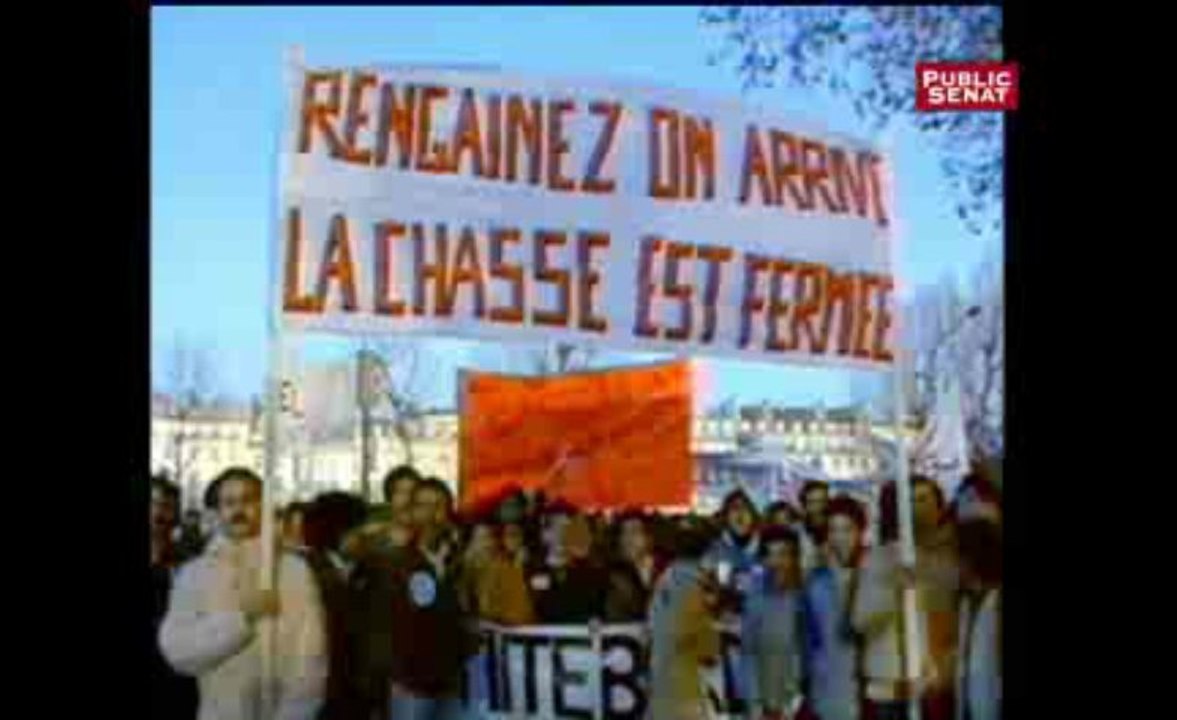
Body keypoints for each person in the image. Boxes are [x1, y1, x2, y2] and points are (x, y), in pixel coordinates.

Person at [160, 467, 328, 720]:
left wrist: (294, 714)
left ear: (263, 506)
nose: (239, 510)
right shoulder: (195, 574)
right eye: (229, 502)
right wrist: (241, 618)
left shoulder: (294, 570)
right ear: (217, 511)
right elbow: (179, 652)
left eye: (248, 499)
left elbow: (312, 656)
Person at [352, 477, 471, 720]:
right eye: (423, 506)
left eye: (438, 506)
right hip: (410, 686)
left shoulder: (458, 559)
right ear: (412, 511)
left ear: (449, 512)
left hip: (450, 684)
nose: (431, 515)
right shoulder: (394, 560)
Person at [852, 477, 959, 720]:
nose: (918, 507)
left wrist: (941, 674)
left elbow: (958, 626)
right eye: (910, 501)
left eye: (923, 499)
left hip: (939, 689)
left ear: (939, 507)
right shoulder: (878, 559)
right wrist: (893, 592)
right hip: (892, 689)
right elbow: (860, 621)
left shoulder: (952, 561)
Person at [302, 492, 369, 720]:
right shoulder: (311, 574)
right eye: (358, 531)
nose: (364, 537)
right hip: (324, 690)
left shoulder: (358, 569)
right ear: (337, 533)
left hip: (352, 689)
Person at [648, 525, 723, 720]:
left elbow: (652, 622)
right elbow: (706, 646)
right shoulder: (693, 585)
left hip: (662, 674)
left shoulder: (666, 578)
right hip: (686, 683)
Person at [804, 496, 869, 720]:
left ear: (860, 532)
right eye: (833, 530)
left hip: (866, 686)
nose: (840, 537)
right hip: (826, 686)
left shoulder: (872, 573)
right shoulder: (816, 581)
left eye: (847, 529)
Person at [740, 525, 808, 720]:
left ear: (794, 558)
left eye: (783, 554)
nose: (776, 562)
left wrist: (795, 700)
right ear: (763, 560)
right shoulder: (755, 601)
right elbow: (748, 653)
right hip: (765, 705)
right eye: (770, 555)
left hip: (800, 703)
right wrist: (754, 703)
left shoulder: (806, 599)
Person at [150, 475, 199, 720]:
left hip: (177, 684)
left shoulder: (190, 565)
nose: (158, 514)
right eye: (153, 504)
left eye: (167, 507)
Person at [954, 519, 1001, 720]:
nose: (954, 564)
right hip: (969, 704)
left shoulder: (996, 602)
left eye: (958, 557)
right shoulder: (966, 602)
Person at [529, 511, 609, 624]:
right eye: (554, 527)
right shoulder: (538, 569)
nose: (559, 535)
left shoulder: (593, 570)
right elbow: (536, 594)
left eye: (565, 528)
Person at [605, 510, 667, 622]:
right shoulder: (616, 575)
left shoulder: (667, 569)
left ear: (648, 537)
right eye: (624, 533)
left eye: (634, 531)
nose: (627, 539)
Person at [705, 489, 762, 604]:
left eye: (745, 509)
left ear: (753, 515)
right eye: (735, 508)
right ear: (725, 516)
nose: (740, 514)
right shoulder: (713, 551)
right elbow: (708, 591)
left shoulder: (766, 548)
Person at [799, 480, 832, 573]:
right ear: (804, 504)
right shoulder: (796, 531)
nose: (818, 506)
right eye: (812, 502)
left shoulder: (838, 529)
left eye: (821, 501)